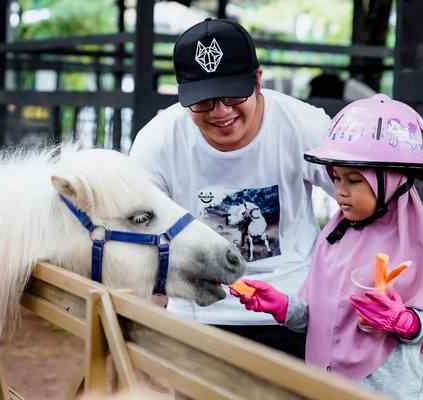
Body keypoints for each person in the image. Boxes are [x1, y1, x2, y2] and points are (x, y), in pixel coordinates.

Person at [230, 94, 423, 399]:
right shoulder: (334, 238)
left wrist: (406, 322)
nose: (340, 192)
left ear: (391, 181)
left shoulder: (418, 246)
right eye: (336, 178)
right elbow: (321, 319)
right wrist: (284, 306)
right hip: (328, 387)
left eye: (354, 180)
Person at [129, 18, 333, 359]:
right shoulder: (158, 140)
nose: (221, 112)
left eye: (233, 94)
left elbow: (365, 203)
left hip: (291, 311)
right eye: (203, 100)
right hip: (198, 315)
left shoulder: (305, 125)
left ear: (257, 80)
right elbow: (141, 235)